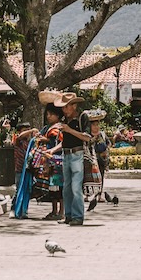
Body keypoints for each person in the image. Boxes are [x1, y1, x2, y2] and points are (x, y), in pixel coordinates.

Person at [47, 91, 91, 227]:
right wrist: (53, 150)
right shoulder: (65, 121)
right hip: (66, 155)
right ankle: (69, 215)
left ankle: (78, 216)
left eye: (66, 107)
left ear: (74, 106)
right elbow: (64, 142)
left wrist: (70, 130)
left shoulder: (82, 118)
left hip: (77, 155)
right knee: (66, 188)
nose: (64, 110)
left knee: (76, 187)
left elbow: (87, 137)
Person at [10, 121, 36, 219]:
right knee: (18, 190)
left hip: (28, 169)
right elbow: (20, 136)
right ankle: (13, 209)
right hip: (19, 169)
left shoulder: (30, 142)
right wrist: (31, 131)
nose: (28, 133)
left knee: (27, 190)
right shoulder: (18, 140)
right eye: (25, 130)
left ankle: (24, 210)